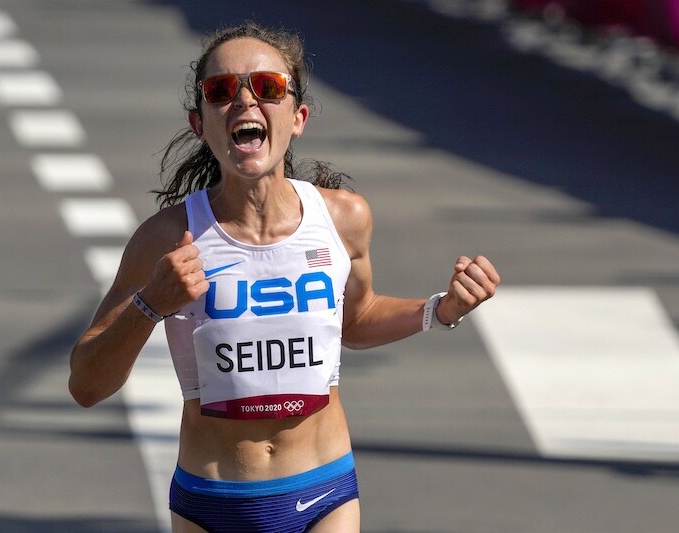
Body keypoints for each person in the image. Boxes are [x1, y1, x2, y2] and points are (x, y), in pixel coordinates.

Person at [68, 21, 500, 533]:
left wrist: (439, 310)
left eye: (268, 87)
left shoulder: (343, 218)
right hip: (212, 503)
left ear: (297, 118)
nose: (244, 101)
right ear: (199, 123)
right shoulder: (167, 238)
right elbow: (86, 385)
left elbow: (355, 318)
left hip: (324, 493)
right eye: (221, 90)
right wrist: (150, 305)